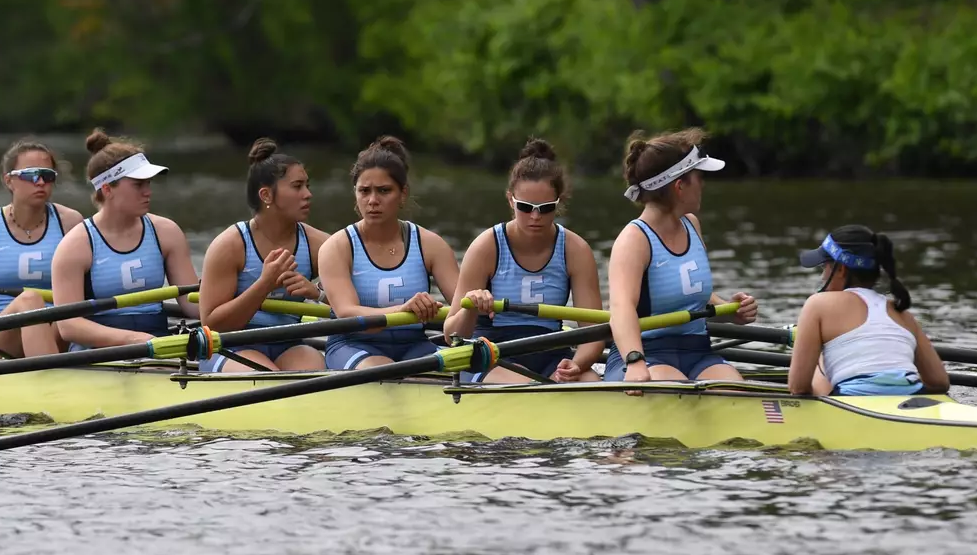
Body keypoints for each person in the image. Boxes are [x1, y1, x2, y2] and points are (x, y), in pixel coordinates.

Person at [604, 128, 758, 383]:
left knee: (735, 393)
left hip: (697, 352)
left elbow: (693, 293)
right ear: (680, 186)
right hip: (645, 353)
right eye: (699, 176)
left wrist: (730, 311)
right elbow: (621, 308)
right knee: (681, 394)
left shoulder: (692, 225)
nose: (703, 184)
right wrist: (635, 361)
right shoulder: (634, 240)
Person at [445, 138, 604, 383]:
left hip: (551, 353)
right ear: (511, 200)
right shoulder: (486, 247)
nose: (535, 216)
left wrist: (577, 364)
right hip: (493, 354)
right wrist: (470, 307)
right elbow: (451, 335)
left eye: (546, 208)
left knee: (591, 382)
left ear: (559, 202)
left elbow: (593, 333)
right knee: (528, 385)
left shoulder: (576, 250)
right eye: (526, 207)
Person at [318, 136, 460, 371]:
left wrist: (475, 300)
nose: (373, 200)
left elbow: (460, 306)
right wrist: (402, 310)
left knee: (456, 372)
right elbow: (347, 312)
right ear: (355, 193)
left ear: (403, 194)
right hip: (353, 344)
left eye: (384, 191)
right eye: (364, 191)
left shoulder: (431, 245)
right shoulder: (337, 247)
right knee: (387, 372)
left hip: (414, 345)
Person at [50, 129, 199, 350]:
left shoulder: (167, 232)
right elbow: (69, 326)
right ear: (107, 189)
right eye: (138, 185)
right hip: (96, 352)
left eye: (148, 183)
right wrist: (134, 340)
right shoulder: (76, 246)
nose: (148, 192)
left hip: (157, 344)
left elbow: (193, 305)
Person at [197, 138, 329, 372]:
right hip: (230, 346)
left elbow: (358, 303)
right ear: (266, 195)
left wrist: (317, 293)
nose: (308, 194)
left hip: (289, 344)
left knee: (314, 375)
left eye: (307, 186)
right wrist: (264, 284)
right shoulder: (229, 245)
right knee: (267, 378)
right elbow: (213, 324)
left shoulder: (319, 244)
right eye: (297, 186)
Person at [0, 138, 85, 359]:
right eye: (31, 175)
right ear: (8, 180)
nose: (41, 182)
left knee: (60, 314)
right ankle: (50, 374)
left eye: (48, 175)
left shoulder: (71, 223)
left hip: (58, 331)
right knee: (30, 300)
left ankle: (46, 365)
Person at [787, 226, 949, 397]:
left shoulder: (817, 304)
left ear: (841, 269)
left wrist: (819, 354)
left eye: (824, 267)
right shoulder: (903, 313)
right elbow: (939, 382)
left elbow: (798, 388)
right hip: (912, 394)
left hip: (853, 399)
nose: (822, 277)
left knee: (820, 361)